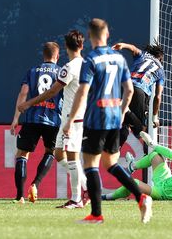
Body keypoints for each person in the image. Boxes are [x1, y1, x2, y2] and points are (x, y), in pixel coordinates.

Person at [63, 18, 152, 224]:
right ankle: (141, 197)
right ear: (107, 35)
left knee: (91, 165)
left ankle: (96, 214)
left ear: (90, 36)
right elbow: (129, 90)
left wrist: (71, 121)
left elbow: (82, 92)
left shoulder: (91, 59)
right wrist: (121, 113)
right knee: (111, 164)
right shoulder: (119, 58)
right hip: (115, 118)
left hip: (96, 118)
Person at [18, 30, 89, 209]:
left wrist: (28, 104)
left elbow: (51, 92)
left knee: (72, 158)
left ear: (66, 47)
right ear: (81, 45)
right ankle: (87, 187)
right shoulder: (87, 65)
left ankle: (77, 198)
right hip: (73, 117)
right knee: (58, 154)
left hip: (70, 119)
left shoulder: (69, 68)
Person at [10, 42, 63, 204]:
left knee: (22, 154)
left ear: (43, 55)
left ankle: (20, 196)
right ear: (57, 55)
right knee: (50, 152)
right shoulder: (62, 72)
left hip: (32, 118)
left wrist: (16, 118)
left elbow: (23, 93)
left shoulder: (32, 71)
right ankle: (35, 184)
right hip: (54, 120)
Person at [111, 41, 165, 147]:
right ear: (160, 58)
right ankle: (125, 109)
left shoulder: (143, 55)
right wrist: (155, 117)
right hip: (139, 91)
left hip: (125, 86)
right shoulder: (161, 70)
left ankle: (116, 148)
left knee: (125, 124)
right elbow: (158, 97)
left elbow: (132, 47)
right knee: (140, 130)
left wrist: (122, 45)